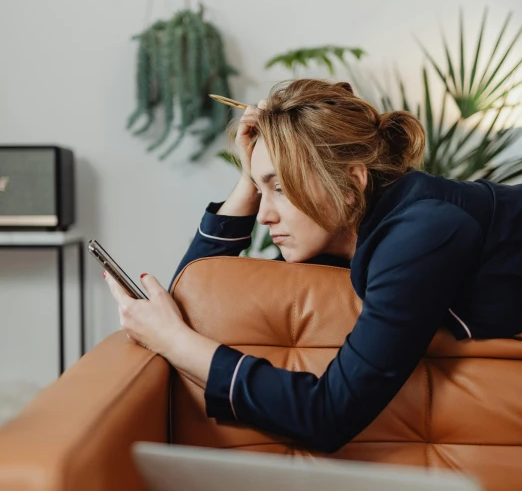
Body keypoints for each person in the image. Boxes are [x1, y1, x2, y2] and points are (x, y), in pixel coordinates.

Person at [105, 78, 522, 453]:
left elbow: (329, 414)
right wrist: (249, 181)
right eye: (260, 188)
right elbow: (200, 295)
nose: (264, 217)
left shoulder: (420, 233)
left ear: (350, 183)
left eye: (282, 189)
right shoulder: (356, 232)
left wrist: (172, 340)